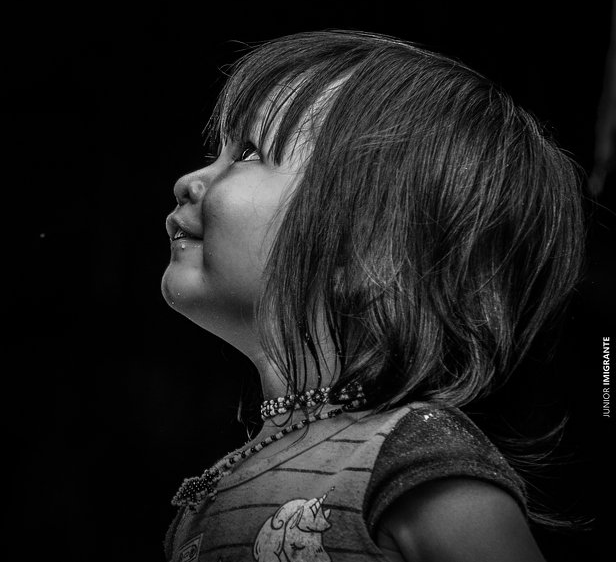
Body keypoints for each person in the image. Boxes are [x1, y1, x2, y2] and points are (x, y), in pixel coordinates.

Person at [160, 30, 584, 562]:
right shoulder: (220, 480)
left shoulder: (413, 455)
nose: (190, 179)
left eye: (247, 153)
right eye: (214, 151)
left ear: (361, 256)